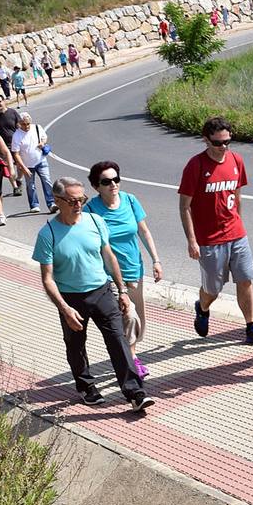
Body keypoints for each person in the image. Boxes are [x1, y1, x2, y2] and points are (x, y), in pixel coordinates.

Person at [34, 177, 155, 412]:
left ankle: (135, 392)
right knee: (76, 345)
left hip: (102, 291)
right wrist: (65, 308)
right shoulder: (47, 234)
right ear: (57, 201)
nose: (78, 205)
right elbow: (47, 278)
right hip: (71, 298)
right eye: (72, 201)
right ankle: (86, 386)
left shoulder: (95, 221)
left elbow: (109, 257)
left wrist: (121, 290)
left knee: (118, 339)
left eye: (82, 199)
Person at [178, 117, 253, 347]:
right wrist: (192, 240)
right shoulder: (196, 165)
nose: (223, 147)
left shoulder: (236, 160)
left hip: (236, 234)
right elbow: (184, 206)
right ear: (206, 140)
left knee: (246, 279)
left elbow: (237, 196)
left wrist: (238, 223)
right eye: (218, 143)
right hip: (209, 240)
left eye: (228, 142)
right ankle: (202, 307)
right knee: (213, 290)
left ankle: (251, 327)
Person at [87, 161, 162, 378]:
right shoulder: (91, 210)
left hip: (134, 270)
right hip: (108, 275)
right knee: (127, 316)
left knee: (138, 320)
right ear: (96, 186)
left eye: (116, 179)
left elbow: (144, 232)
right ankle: (132, 361)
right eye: (106, 181)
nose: (113, 185)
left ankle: (128, 355)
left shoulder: (130, 201)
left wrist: (156, 260)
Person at [11, 112, 55, 214]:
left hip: (41, 160)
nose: (26, 126)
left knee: (47, 181)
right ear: (19, 124)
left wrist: (42, 143)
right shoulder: (17, 136)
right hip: (27, 165)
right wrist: (24, 168)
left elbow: (44, 136)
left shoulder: (37, 127)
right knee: (31, 185)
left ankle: (51, 203)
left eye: (27, 124)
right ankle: (34, 205)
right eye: (23, 124)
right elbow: (16, 154)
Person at [0, 95, 23, 197]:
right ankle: (15, 187)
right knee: (8, 166)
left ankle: (19, 179)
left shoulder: (12, 112)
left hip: (15, 143)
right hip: (3, 146)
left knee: (20, 165)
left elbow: (19, 126)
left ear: (4, 102)